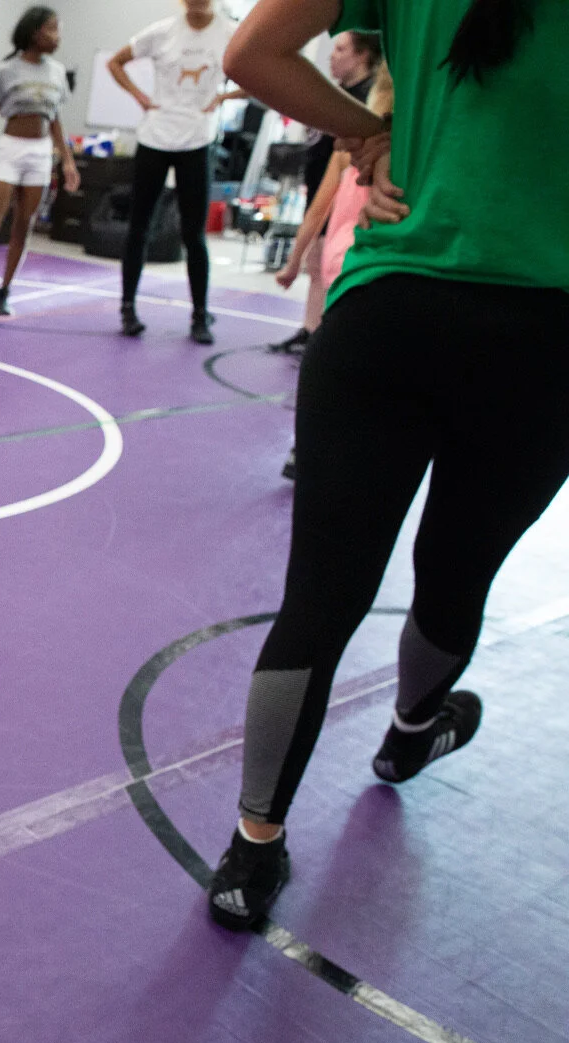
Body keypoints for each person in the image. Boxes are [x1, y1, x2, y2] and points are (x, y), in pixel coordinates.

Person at [205, 0, 569, 931]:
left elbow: (252, 53)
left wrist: (367, 129)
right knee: (457, 574)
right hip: (542, 331)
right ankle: (410, 733)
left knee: (321, 596)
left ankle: (252, 849)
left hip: (388, 318)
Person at [272, 61, 391, 480]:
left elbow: (316, 212)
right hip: (358, 265)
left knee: (336, 367)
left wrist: (293, 262)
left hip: (353, 264)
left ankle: (308, 449)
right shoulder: (358, 148)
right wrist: (294, 262)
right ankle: (315, 450)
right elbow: (319, 209)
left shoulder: (356, 147)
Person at [107, 0, 245, 344]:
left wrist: (225, 96)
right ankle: (128, 307)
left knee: (193, 234)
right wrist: (140, 96)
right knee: (139, 226)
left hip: (196, 141)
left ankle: (200, 315)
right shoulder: (162, 32)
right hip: (156, 137)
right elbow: (116, 62)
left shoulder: (229, 33)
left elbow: (264, 71)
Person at [0, 7, 81, 317]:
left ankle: (4, 292)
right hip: (10, 149)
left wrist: (68, 162)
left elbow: (56, 121)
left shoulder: (57, 72)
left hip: (39, 152)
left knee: (25, 225)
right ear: (35, 33)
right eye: (52, 30)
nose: (58, 37)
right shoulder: (6, 71)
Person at [272, 29, 380, 356]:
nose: (333, 56)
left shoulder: (369, 101)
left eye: (341, 49)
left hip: (344, 199)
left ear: (363, 55)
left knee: (331, 265)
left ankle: (328, 336)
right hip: (323, 190)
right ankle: (310, 329)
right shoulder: (336, 94)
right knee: (317, 263)